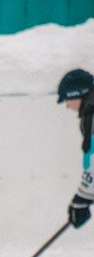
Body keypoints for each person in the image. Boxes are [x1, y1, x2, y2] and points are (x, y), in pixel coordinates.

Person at [56, 68, 93, 230]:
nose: (67, 106)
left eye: (67, 100)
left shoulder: (91, 117)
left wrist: (81, 200)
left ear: (76, 94)